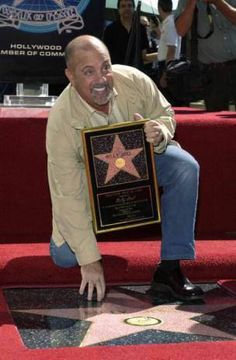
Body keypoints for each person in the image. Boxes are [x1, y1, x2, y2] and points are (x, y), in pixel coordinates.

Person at [46, 34, 204, 303]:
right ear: (70, 76)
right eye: (88, 72)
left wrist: (160, 131)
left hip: (141, 170)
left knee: (184, 167)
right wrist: (91, 260)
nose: (101, 79)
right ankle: (93, 235)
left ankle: (170, 270)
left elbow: (165, 113)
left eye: (105, 67)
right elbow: (67, 194)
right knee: (65, 257)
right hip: (88, 194)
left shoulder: (134, 80)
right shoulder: (60, 122)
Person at [175, 0, 236, 111]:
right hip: (214, 73)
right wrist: (191, 3)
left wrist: (218, 2)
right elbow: (180, 30)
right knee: (217, 124)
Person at [103, 0, 157, 69]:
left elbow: (144, 56)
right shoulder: (110, 29)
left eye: (129, 5)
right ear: (119, 10)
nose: (127, 8)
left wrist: (162, 55)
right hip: (118, 72)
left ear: (134, 8)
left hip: (136, 71)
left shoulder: (141, 28)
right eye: (123, 6)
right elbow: (106, 55)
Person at [157, 0, 185, 106]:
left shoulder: (170, 23)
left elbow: (172, 50)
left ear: (159, 7)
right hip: (169, 65)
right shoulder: (168, 22)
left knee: (170, 105)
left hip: (169, 68)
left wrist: (165, 75)